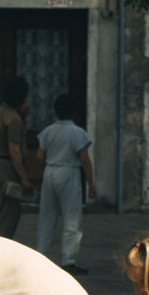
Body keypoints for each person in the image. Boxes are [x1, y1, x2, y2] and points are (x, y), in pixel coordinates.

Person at [35, 94, 96, 275]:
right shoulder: (77, 132)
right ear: (74, 112)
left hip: (50, 170)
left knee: (46, 216)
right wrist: (91, 183)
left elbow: (39, 155)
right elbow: (84, 158)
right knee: (72, 217)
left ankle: (41, 255)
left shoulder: (48, 131)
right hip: (69, 172)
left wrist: (41, 175)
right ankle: (68, 259)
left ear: (56, 111)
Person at [0, 77, 35, 239]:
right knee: (9, 215)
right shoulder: (13, 119)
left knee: (3, 212)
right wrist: (24, 180)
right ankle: (0, 250)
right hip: (8, 168)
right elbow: (14, 150)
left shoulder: (0, 112)